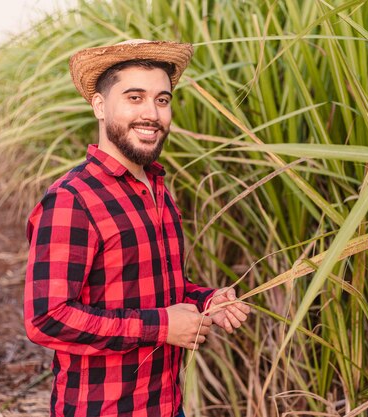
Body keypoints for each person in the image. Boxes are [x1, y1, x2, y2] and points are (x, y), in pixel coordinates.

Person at [24, 39, 251, 417]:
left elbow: (147, 287)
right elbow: (47, 319)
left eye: (162, 100)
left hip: (164, 404)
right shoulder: (72, 199)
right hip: (103, 408)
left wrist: (205, 300)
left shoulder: (156, 188)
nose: (152, 113)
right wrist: (161, 326)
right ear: (99, 105)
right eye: (134, 97)